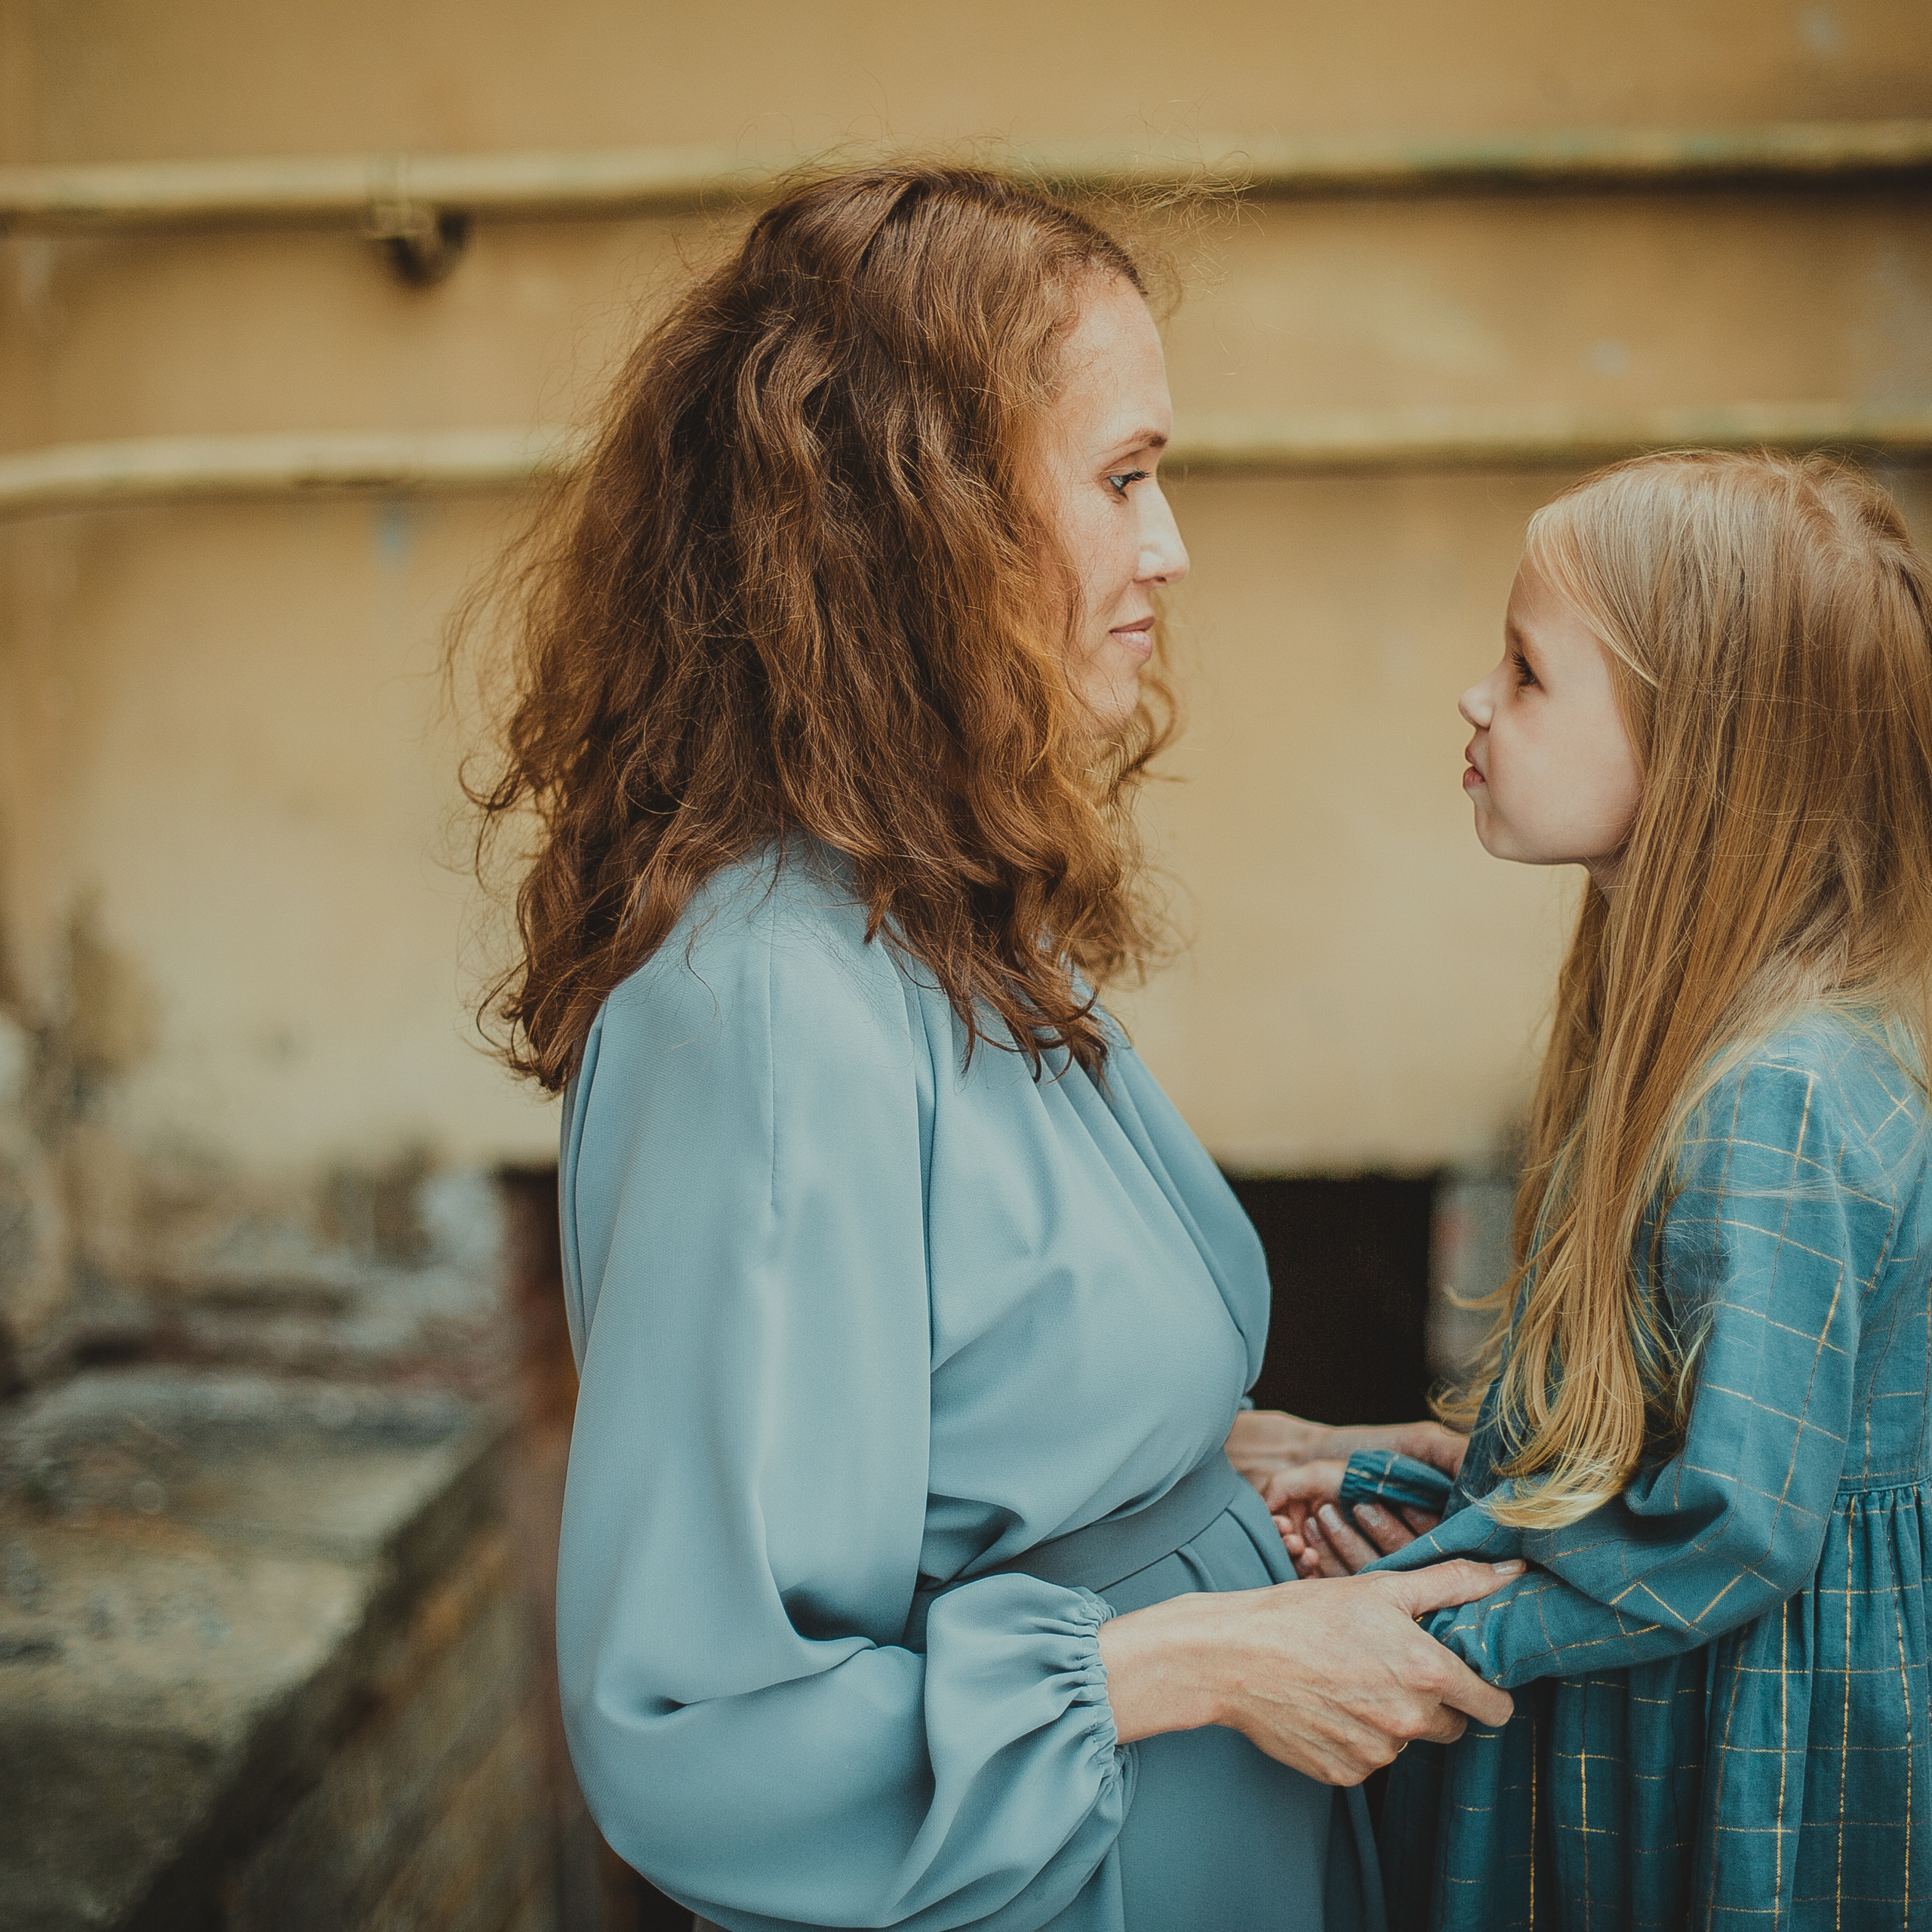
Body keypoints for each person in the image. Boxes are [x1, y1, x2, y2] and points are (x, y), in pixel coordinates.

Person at [465, 162, 1520, 1932]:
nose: (1169, 545)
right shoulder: (762, 1012)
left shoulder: (940, 906)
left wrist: (1236, 1467)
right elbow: (694, 1723)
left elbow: (975, 1433)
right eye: (1121, 480)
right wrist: (1206, 1653)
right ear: (916, 526)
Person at [1265, 450, 1932, 1928]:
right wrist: (1391, 1479)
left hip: (1734, 1752)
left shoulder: (1777, 1098)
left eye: (1523, 669)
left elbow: (1731, 1523)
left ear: (1699, 746)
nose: (1472, 697)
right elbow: (1628, 1456)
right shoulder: (1692, 1046)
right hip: (1670, 1701)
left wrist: (1439, 1628)